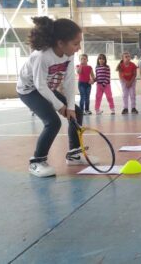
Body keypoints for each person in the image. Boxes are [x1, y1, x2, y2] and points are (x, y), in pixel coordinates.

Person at [16, 16, 99, 177]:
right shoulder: (42, 56)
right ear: (61, 43)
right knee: (52, 122)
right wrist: (60, 107)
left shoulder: (69, 54)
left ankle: (74, 154)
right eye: (76, 43)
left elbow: (68, 82)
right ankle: (37, 161)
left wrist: (69, 107)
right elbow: (40, 85)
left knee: (77, 112)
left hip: (46, 88)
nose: (78, 48)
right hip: (29, 90)